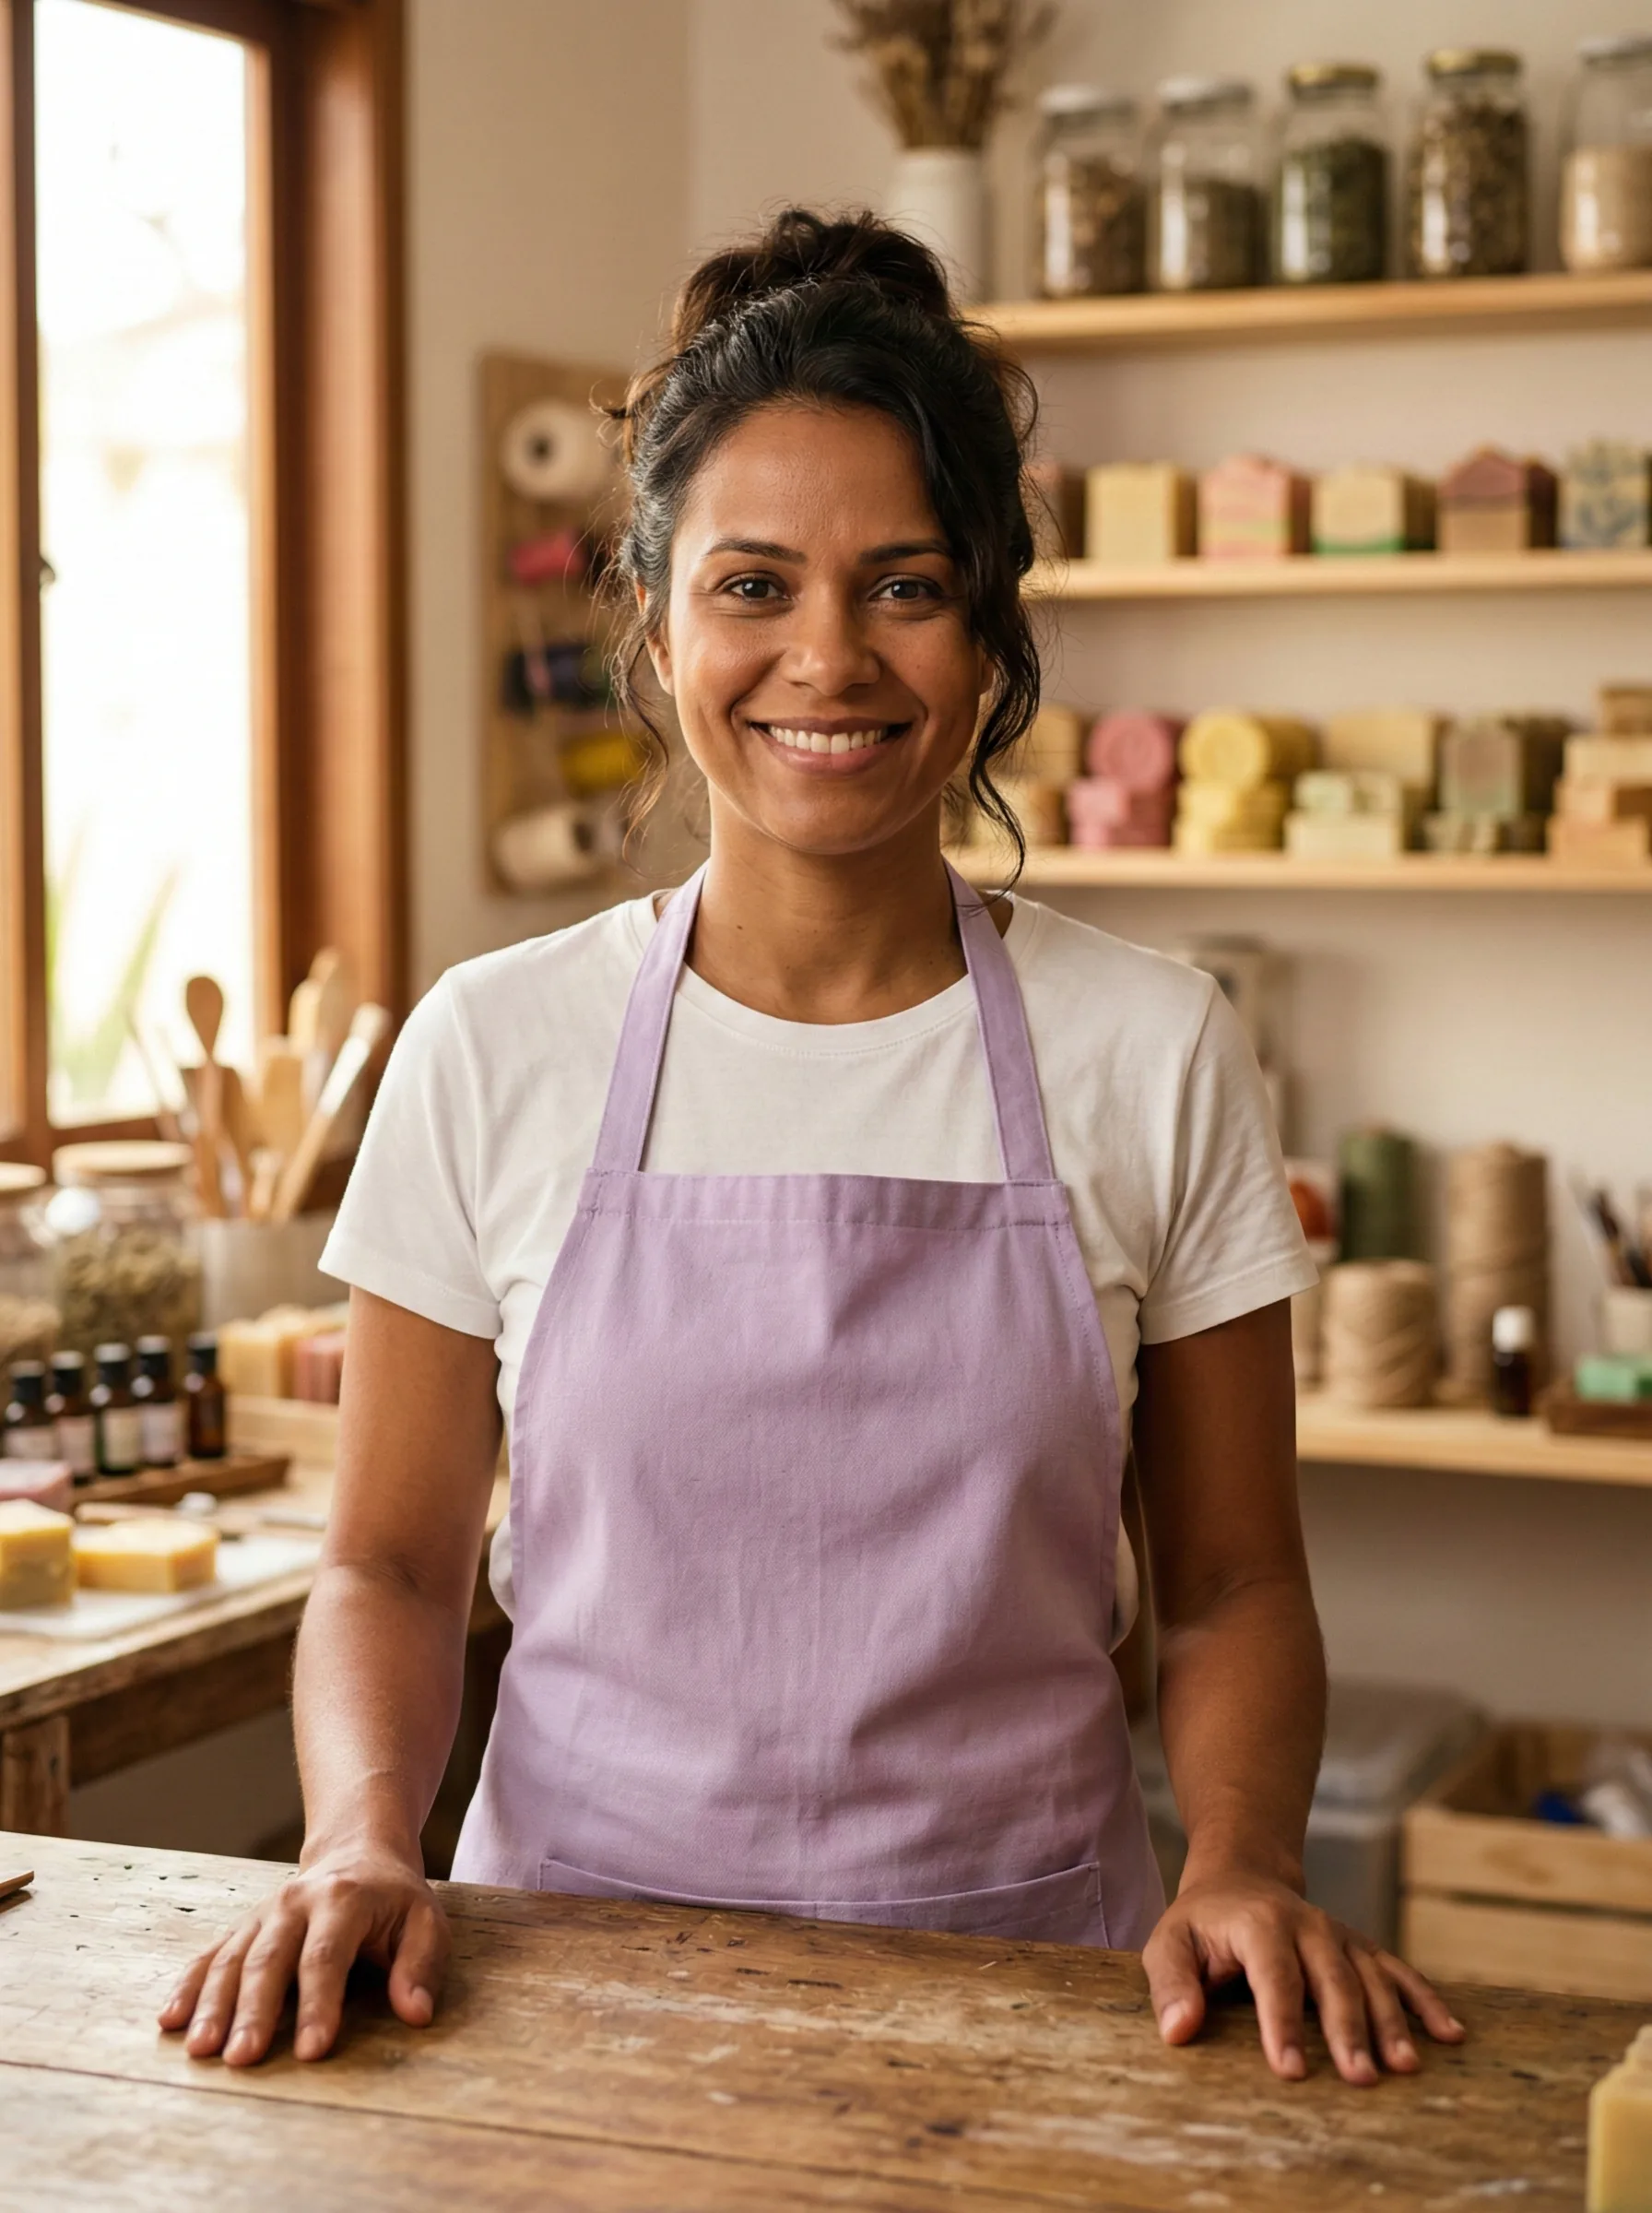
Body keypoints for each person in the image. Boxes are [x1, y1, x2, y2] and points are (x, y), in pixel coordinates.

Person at [161, 208, 1462, 2086]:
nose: (826, 660)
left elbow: (1238, 1579)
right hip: (552, 2002)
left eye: (905, 585)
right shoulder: (492, 1045)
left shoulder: (1150, 1045)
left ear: (993, 621)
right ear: (658, 611)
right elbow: (385, 1562)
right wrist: (360, 1839)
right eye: (752, 586)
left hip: (1038, 2004)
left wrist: (1247, 1858)